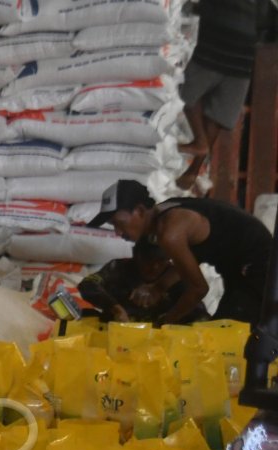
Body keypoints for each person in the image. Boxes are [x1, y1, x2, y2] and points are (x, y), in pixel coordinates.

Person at [88, 178, 272, 324]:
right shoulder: (165, 212)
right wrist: (159, 287)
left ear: (140, 211)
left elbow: (199, 289)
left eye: (120, 224)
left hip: (259, 265)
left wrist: (165, 323)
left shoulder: (170, 233)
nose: (118, 232)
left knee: (231, 337)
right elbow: (192, 258)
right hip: (239, 267)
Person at [177, 0, 261, 191]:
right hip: (246, 43)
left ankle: (199, 140)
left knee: (185, 91)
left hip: (218, 32)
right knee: (217, 113)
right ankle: (193, 170)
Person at [78, 241, 210, 324]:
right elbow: (88, 284)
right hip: (117, 332)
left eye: (161, 261)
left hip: (161, 341)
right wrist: (115, 308)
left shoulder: (175, 278)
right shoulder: (119, 268)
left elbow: (200, 314)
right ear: (136, 255)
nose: (155, 267)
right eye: (149, 260)